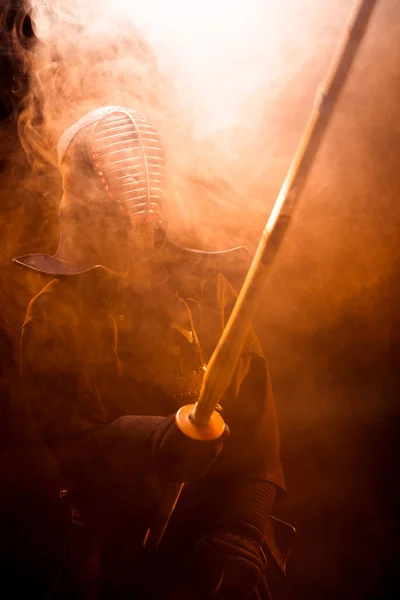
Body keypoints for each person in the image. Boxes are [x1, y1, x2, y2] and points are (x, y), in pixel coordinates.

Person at [15, 106, 288, 599]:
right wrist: (162, 438)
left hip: (218, 554)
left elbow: (259, 434)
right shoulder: (54, 314)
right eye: (115, 171)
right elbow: (73, 439)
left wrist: (243, 525)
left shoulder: (212, 294)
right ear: (78, 197)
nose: (135, 180)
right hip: (121, 552)